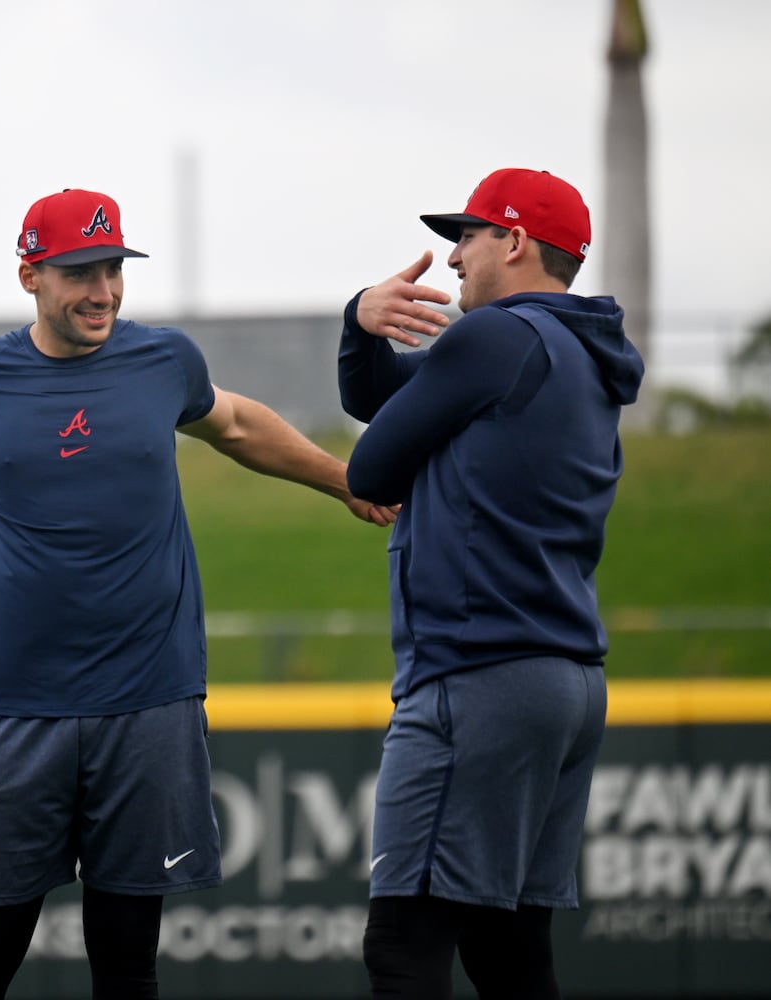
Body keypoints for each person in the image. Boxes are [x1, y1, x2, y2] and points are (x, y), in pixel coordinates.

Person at [0, 188, 395, 1000]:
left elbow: (238, 425)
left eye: (112, 269)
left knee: (127, 962)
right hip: (19, 711)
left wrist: (348, 479)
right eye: (79, 273)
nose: (102, 290)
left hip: (148, 703)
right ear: (30, 274)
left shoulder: (166, 361)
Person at [338, 168, 646, 998]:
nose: (452, 258)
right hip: (565, 680)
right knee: (508, 952)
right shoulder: (575, 350)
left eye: (468, 236)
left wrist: (371, 349)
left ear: (514, 242)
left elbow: (370, 466)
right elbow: (383, 399)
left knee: (405, 947)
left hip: (480, 678)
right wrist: (360, 326)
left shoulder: (496, 339)